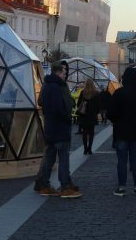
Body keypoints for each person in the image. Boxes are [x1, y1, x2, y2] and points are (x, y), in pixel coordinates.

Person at [36, 63, 81, 198]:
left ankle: (42, 184)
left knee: (49, 157)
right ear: (58, 72)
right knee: (63, 158)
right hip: (60, 128)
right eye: (64, 71)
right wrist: (67, 118)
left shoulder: (46, 85)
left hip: (50, 127)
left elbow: (41, 102)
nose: (66, 74)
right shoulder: (57, 87)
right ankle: (65, 186)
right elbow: (58, 108)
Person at [109, 66, 136, 196]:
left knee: (122, 161)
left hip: (121, 131)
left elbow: (111, 113)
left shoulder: (119, 93)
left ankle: (122, 187)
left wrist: (117, 119)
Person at [77, 79, 102, 156]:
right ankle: (90, 149)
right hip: (92, 116)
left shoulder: (83, 92)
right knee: (91, 133)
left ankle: (85, 149)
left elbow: (78, 104)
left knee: (84, 133)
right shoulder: (96, 93)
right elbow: (98, 106)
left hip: (84, 116)